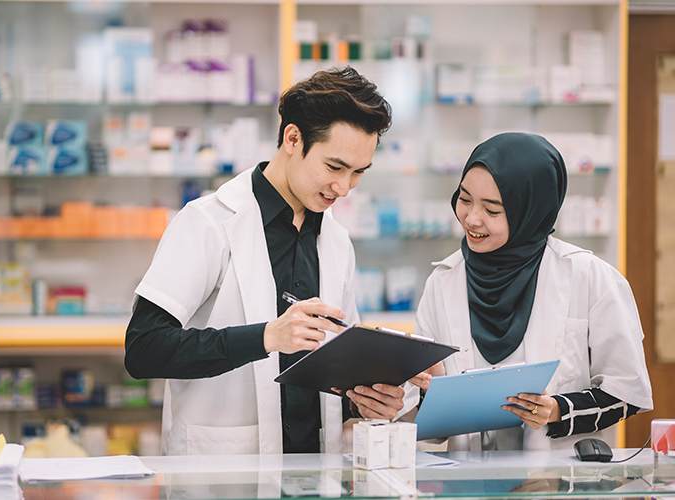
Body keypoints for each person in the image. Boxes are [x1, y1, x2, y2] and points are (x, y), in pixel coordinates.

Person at [125, 67, 405, 456]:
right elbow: (144, 349)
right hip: (224, 473)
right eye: (334, 167)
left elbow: (327, 379)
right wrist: (265, 337)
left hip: (312, 472)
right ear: (293, 138)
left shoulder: (337, 242)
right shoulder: (209, 222)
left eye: (358, 172)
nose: (343, 188)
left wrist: (363, 399)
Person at [405, 132, 653, 451]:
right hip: (466, 481)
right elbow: (426, 423)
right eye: (464, 199)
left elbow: (626, 395)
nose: (471, 218)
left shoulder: (590, 277)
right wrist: (429, 393)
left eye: (493, 210)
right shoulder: (443, 281)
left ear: (532, 211)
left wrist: (558, 411)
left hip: (559, 482)